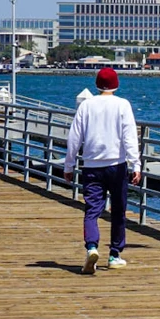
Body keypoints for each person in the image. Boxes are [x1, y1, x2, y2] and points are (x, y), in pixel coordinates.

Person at [62, 66, 140, 274]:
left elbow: (74, 137)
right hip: (117, 165)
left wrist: (69, 165)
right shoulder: (123, 105)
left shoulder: (86, 106)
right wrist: (136, 164)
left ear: (97, 85)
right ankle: (114, 254)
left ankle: (92, 247)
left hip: (91, 166)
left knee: (92, 210)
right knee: (118, 211)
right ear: (116, 85)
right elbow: (129, 136)